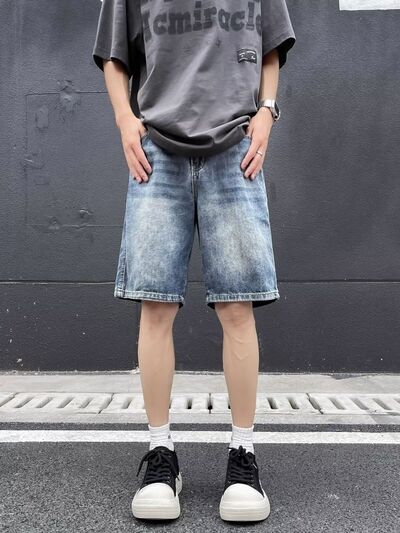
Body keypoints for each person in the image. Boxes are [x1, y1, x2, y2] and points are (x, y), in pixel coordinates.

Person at [93, 0, 295, 523]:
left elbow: (271, 45)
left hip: (236, 149)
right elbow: (114, 55)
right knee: (156, 307)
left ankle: (243, 456)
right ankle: (161, 456)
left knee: (237, 308)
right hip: (156, 151)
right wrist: (124, 120)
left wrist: (268, 111)